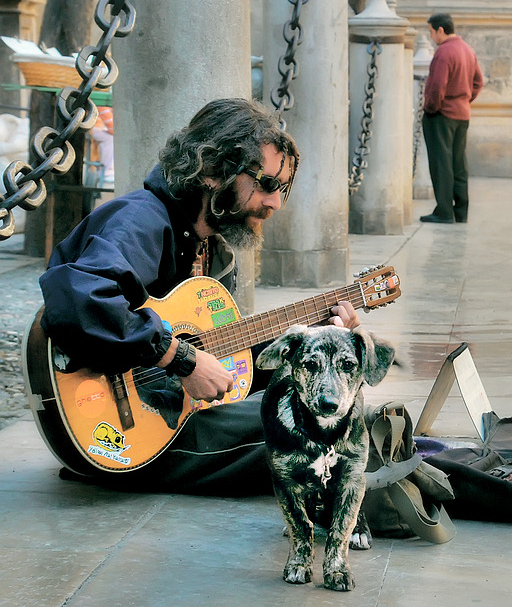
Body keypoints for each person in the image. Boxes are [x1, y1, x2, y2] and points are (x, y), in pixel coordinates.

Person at [37, 98, 361, 495]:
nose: (275, 202)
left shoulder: (214, 250)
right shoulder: (141, 221)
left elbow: (230, 365)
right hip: (123, 437)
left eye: (282, 188)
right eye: (267, 184)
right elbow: (79, 298)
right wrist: (180, 358)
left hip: (168, 423)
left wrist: (311, 339)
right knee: (327, 431)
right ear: (212, 170)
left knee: (327, 413)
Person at [420, 12, 484, 224]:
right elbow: (478, 82)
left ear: (440, 30)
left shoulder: (444, 53)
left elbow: (438, 86)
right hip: (462, 114)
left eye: (431, 32)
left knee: (442, 163)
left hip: (442, 115)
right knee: (458, 163)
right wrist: (464, 100)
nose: (431, 37)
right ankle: (461, 211)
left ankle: (444, 211)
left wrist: (431, 107)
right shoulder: (468, 50)